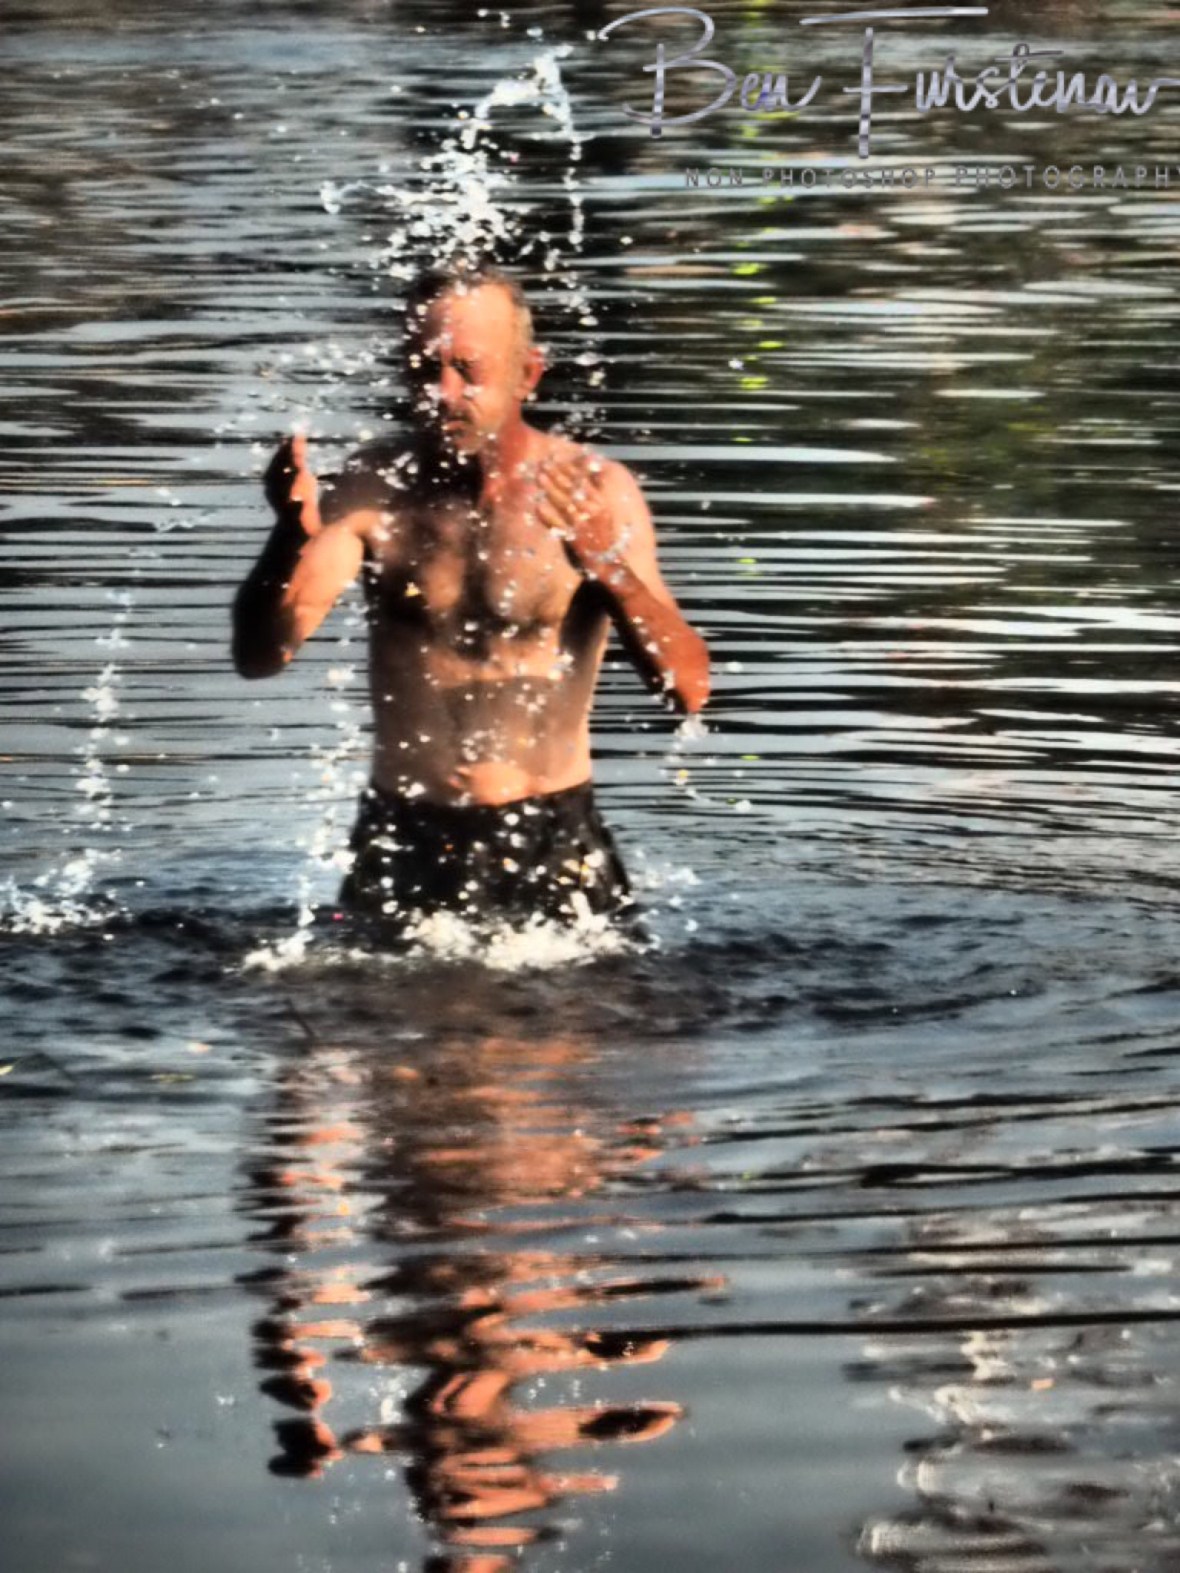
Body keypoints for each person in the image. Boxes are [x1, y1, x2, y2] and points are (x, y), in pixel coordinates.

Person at [231, 260, 710, 934]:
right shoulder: (373, 492)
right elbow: (262, 653)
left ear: (528, 374)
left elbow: (687, 690)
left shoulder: (595, 493)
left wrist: (608, 565)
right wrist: (287, 536)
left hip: (552, 834)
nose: (442, 393)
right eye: (425, 369)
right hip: (405, 833)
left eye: (468, 369)